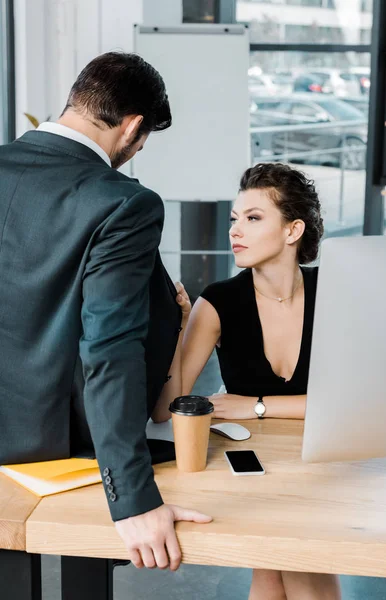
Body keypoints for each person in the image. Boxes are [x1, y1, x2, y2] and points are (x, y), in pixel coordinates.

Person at [0, 51, 211, 572]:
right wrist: (133, 499)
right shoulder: (121, 202)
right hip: (56, 454)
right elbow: (109, 349)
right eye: (143, 141)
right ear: (133, 126)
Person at [181, 163, 341, 599]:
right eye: (235, 219)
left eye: (253, 218)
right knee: (289, 569)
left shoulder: (336, 292)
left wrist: (256, 404)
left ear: (292, 231)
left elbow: (351, 404)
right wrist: (174, 330)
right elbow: (168, 406)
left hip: (325, 462)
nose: (235, 229)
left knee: (277, 572)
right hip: (256, 467)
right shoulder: (216, 303)